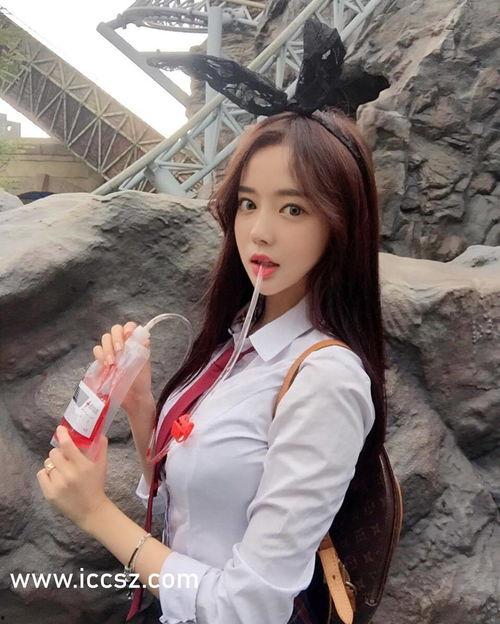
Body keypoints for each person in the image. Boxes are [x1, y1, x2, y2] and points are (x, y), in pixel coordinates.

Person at [37, 108, 386, 624]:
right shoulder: (240, 343)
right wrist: (142, 406)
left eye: (293, 209)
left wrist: (96, 514)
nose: (259, 231)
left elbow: (250, 607)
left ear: (340, 223)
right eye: (248, 203)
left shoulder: (326, 381)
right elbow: (193, 502)